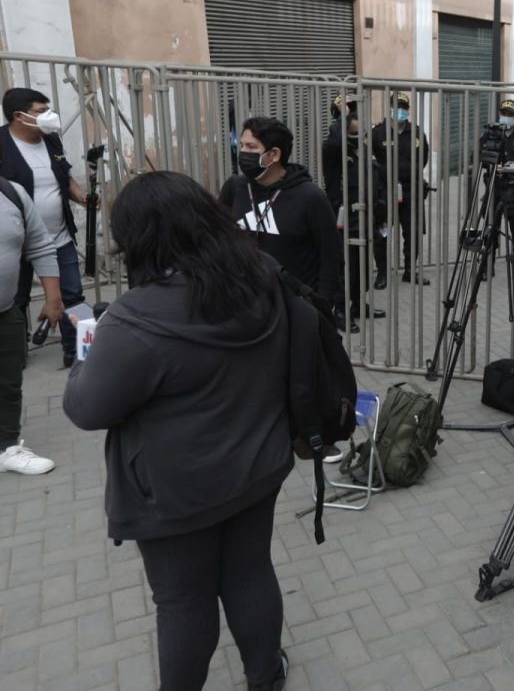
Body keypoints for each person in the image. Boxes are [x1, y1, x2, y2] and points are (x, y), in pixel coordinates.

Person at [63, 172, 291, 691]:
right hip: (258, 465)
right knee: (251, 573)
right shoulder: (260, 275)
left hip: (176, 494)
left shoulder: (135, 320)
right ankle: (266, 677)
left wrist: (87, 353)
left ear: (138, 239)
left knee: (185, 602)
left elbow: (87, 407)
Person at [218, 116, 341, 326]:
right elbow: (219, 240)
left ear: (274, 154)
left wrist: (320, 307)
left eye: (251, 147)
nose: (243, 152)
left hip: (294, 312)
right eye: (242, 145)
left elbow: (331, 257)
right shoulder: (234, 188)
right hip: (244, 307)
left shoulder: (310, 197)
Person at [0, 88, 88, 368]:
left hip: (59, 237)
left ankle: (78, 351)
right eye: (41, 111)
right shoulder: (2, 144)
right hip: (18, 243)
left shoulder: (51, 140)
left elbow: (65, 176)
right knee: (17, 300)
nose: (49, 116)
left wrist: (82, 197)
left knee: (73, 295)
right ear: (18, 116)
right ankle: (15, 353)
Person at [0, 177, 63, 474]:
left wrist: (53, 298)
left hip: (6, 311)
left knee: (8, 384)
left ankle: (7, 448)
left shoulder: (12, 193)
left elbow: (39, 245)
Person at [322, 112, 386, 326]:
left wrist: (380, 213)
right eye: (353, 134)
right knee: (345, 268)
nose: (358, 137)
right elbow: (333, 142)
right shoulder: (335, 151)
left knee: (363, 267)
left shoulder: (365, 150)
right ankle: (340, 309)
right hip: (345, 218)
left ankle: (358, 305)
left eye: (361, 133)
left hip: (367, 218)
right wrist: (344, 122)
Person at [371, 92, 430, 286]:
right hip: (385, 192)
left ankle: (410, 271)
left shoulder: (416, 132)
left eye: (403, 107)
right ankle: (382, 273)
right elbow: (368, 159)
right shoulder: (378, 133)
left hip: (410, 190)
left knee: (413, 233)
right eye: (396, 107)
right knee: (382, 233)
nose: (400, 111)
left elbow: (424, 157)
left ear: (408, 110)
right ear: (389, 108)